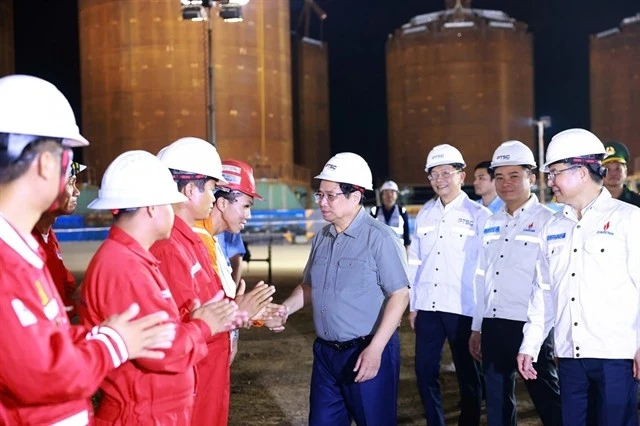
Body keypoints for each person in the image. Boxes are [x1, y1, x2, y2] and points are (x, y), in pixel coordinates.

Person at [0, 74, 176, 425]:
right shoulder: (6, 261)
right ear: (46, 164)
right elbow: (40, 377)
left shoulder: (21, 248)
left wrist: (97, 334)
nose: (71, 175)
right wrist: (112, 342)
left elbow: (42, 341)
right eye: (69, 160)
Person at [80, 150, 247, 425]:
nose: (175, 212)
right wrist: (202, 325)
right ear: (150, 208)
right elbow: (161, 352)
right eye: (170, 204)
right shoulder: (123, 267)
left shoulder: (133, 260)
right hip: (139, 415)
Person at [268, 152, 410, 425]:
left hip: (367, 351)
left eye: (330, 195)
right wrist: (285, 309)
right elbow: (310, 285)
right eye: (320, 195)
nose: (322, 202)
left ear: (355, 196)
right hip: (326, 355)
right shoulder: (323, 236)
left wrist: (376, 348)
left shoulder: (380, 238)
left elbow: (400, 294)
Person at [517, 128, 640, 426]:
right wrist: (530, 344)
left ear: (581, 172)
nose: (550, 182)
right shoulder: (553, 227)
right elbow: (543, 291)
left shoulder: (629, 219)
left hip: (618, 357)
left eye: (555, 172)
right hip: (570, 357)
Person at [150, 137, 275, 426]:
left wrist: (241, 310)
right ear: (190, 189)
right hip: (193, 377)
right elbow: (183, 326)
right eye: (210, 188)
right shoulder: (170, 247)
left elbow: (207, 307)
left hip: (208, 373)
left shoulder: (192, 243)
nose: (213, 196)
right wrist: (237, 311)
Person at [469, 141, 561, 426]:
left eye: (514, 175)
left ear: (531, 178)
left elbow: (550, 285)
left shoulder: (549, 222)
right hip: (494, 325)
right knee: (496, 403)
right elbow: (482, 276)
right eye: (499, 176)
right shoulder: (491, 222)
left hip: (529, 325)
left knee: (547, 398)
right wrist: (477, 326)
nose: (505, 183)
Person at [408, 144, 490, 426]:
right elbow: (414, 261)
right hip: (428, 307)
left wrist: (479, 319)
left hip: (462, 308)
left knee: (469, 375)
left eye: (446, 172)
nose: (439, 179)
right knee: (424, 371)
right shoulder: (424, 214)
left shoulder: (480, 216)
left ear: (461, 175)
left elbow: (484, 271)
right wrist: (412, 305)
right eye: (433, 174)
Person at [192, 159, 284, 364]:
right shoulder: (197, 243)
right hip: (204, 362)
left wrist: (256, 314)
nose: (248, 215)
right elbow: (201, 314)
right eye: (246, 206)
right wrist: (241, 310)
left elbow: (220, 307)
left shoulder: (213, 240)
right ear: (223, 203)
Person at [32, 160, 86, 320]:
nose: (77, 192)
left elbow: (64, 287)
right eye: (71, 184)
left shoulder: (48, 234)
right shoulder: (26, 241)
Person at [370, 180, 411, 249]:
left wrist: (405, 257)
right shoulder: (375, 211)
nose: (389, 195)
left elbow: (406, 238)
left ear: (397, 195)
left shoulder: (402, 212)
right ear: (382, 195)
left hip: (397, 251)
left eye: (392, 192)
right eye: (386, 192)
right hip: (378, 251)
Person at [602, 141, 640, 208]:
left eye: (617, 168)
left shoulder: (637, 202)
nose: (613, 173)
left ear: (625, 171)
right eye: (607, 169)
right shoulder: (590, 201)